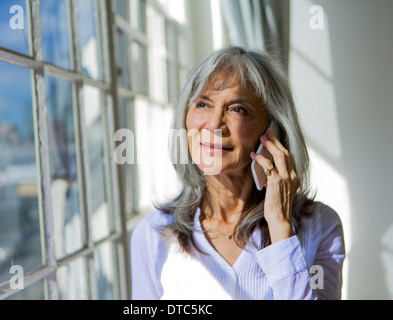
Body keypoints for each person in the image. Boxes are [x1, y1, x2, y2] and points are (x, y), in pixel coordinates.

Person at [130, 47, 345, 300]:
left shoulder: (321, 227)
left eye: (237, 109)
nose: (213, 124)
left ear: (272, 131)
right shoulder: (153, 233)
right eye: (202, 104)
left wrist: (280, 229)